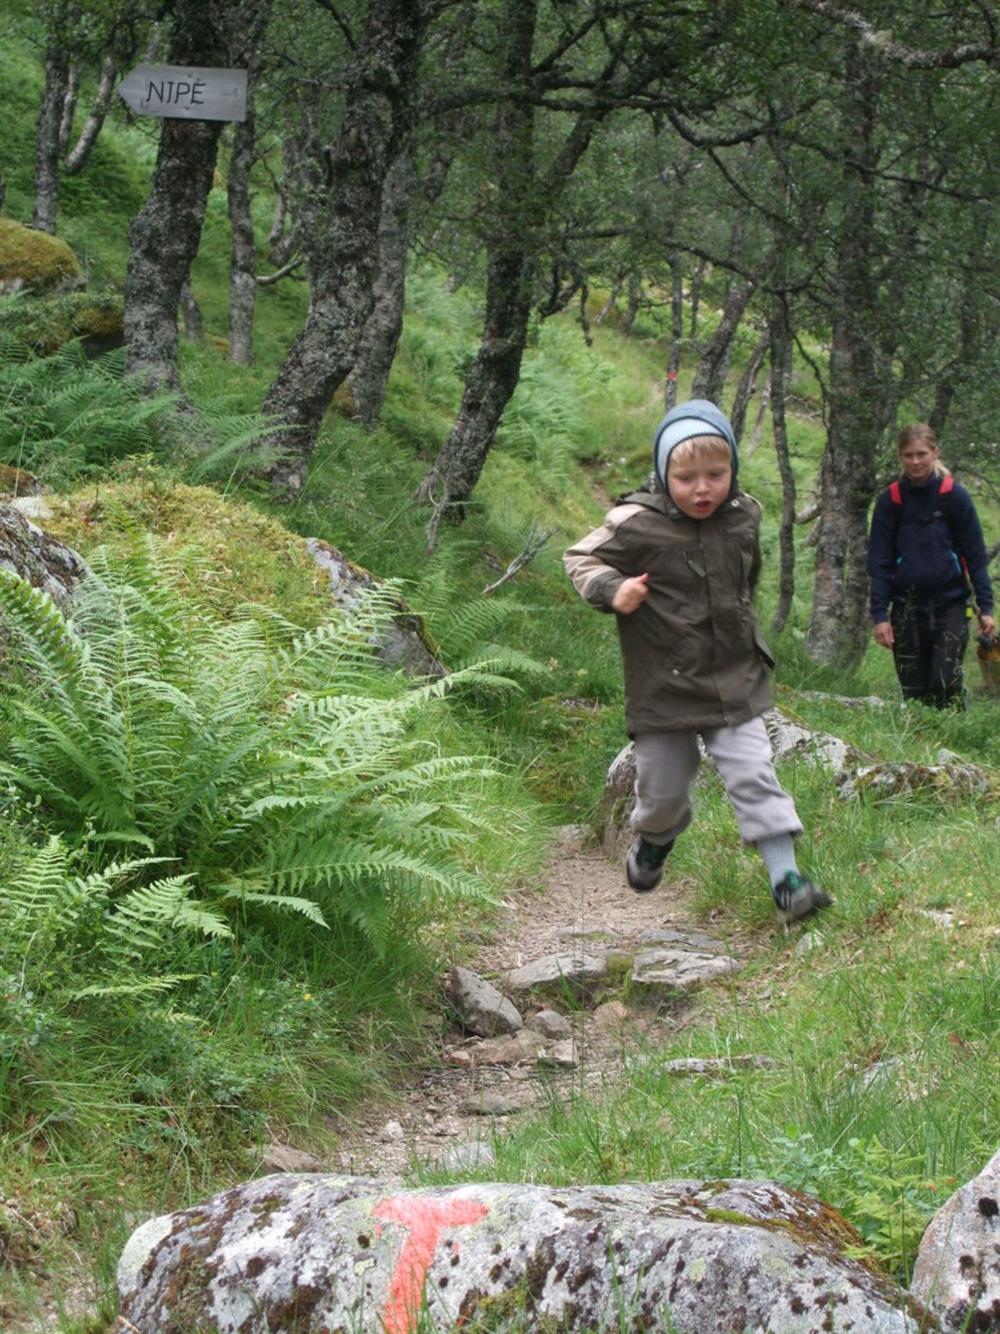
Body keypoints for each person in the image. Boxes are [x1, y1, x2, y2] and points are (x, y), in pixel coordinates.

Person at [564, 399, 831, 926]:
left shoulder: (744, 515)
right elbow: (579, 557)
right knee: (662, 790)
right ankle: (655, 838)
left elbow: (746, 578)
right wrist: (614, 590)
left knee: (754, 773)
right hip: (663, 685)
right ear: (664, 474)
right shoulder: (635, 523)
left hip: (734, 679)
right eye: (686, 478)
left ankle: (787, 883)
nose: (703, 489)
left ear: (733, 469)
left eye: (716, 474)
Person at [868, 423, 995, 708]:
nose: (915, 461)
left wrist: (986, 609)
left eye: (922, 454)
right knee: (914, 690)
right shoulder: (890, 501)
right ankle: (918, 735)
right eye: (908, 455)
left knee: (945, 682)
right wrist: (880, 616)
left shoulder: (954, 497)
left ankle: (952, 731)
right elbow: (879, 562)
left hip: (951, 605)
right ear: (900, 456)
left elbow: (975, 556)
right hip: (906, 608)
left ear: (935, 453)